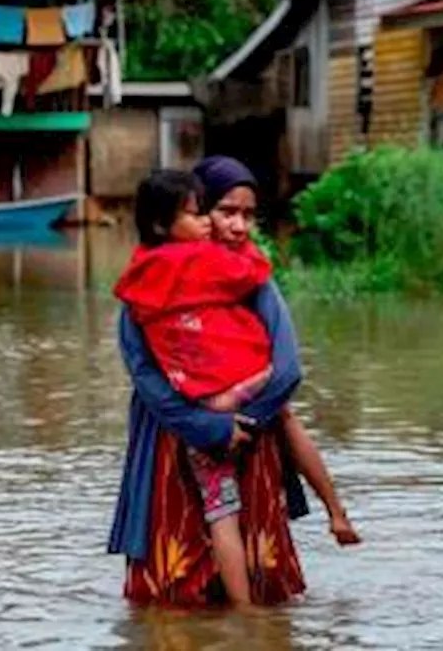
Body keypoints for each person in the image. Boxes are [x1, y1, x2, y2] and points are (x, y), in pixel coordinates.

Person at [113, 169, 359, 606]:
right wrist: (207, 426)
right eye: (224, 212)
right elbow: (143, 372)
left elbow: (286, 370)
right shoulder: (156, 282)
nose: (236, 226)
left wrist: (240, 420)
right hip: (176, 436)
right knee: (175, 596)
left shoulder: (248, 279)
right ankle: (243, 624)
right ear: (200, 214)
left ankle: (248, 618)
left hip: (248, 434)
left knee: (243, 545)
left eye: (248, 215)